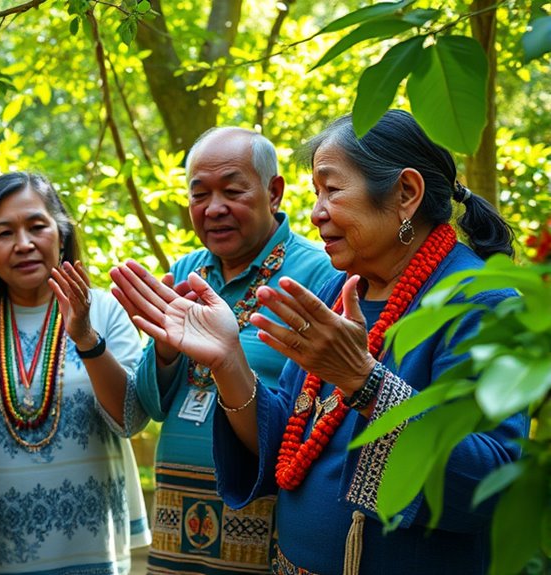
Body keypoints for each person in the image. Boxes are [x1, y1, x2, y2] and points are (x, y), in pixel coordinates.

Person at [112, 110, 526, 575]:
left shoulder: (478, 301)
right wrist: (227, 360)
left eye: (332, 190)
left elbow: (490, 483)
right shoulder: (337, 291)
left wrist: (364, 383)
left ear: (405, 194)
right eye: (315, 193)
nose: (315, 213)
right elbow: (279, 442)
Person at [115, 127, 334, 574]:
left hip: (265, 515)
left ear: (274, 193)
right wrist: (164, 350)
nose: (214, 208)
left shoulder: (318, 275)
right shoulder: (184, 272)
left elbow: (323, 411)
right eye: (200, 195)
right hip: (177, 521)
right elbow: (152, 407)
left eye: (232, 191)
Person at [0, 172, 150, 574]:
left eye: (37, 226)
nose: (24, 244)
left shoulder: (105, 310)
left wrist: (87, 337)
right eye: (4, 233)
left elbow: (132, 419)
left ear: (61, 232)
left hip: (89, 549)